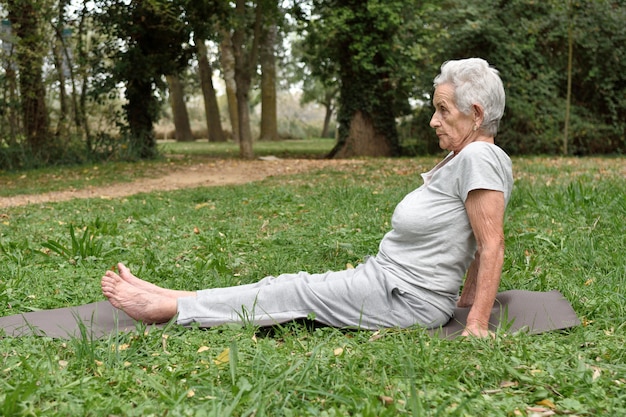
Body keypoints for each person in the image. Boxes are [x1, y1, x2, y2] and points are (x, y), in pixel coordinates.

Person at [102, 57, 513, 337]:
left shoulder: (479, 156)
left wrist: (475, 322)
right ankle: (173, 296)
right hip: (389, 282)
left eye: (443, 110)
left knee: (294, 292)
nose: (433, 120)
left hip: (406, 298)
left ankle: (170, 310)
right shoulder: (469, 157)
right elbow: (478, 241)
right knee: (286, 285)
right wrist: (465, 299)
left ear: (475, 114)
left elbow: (491, 242)